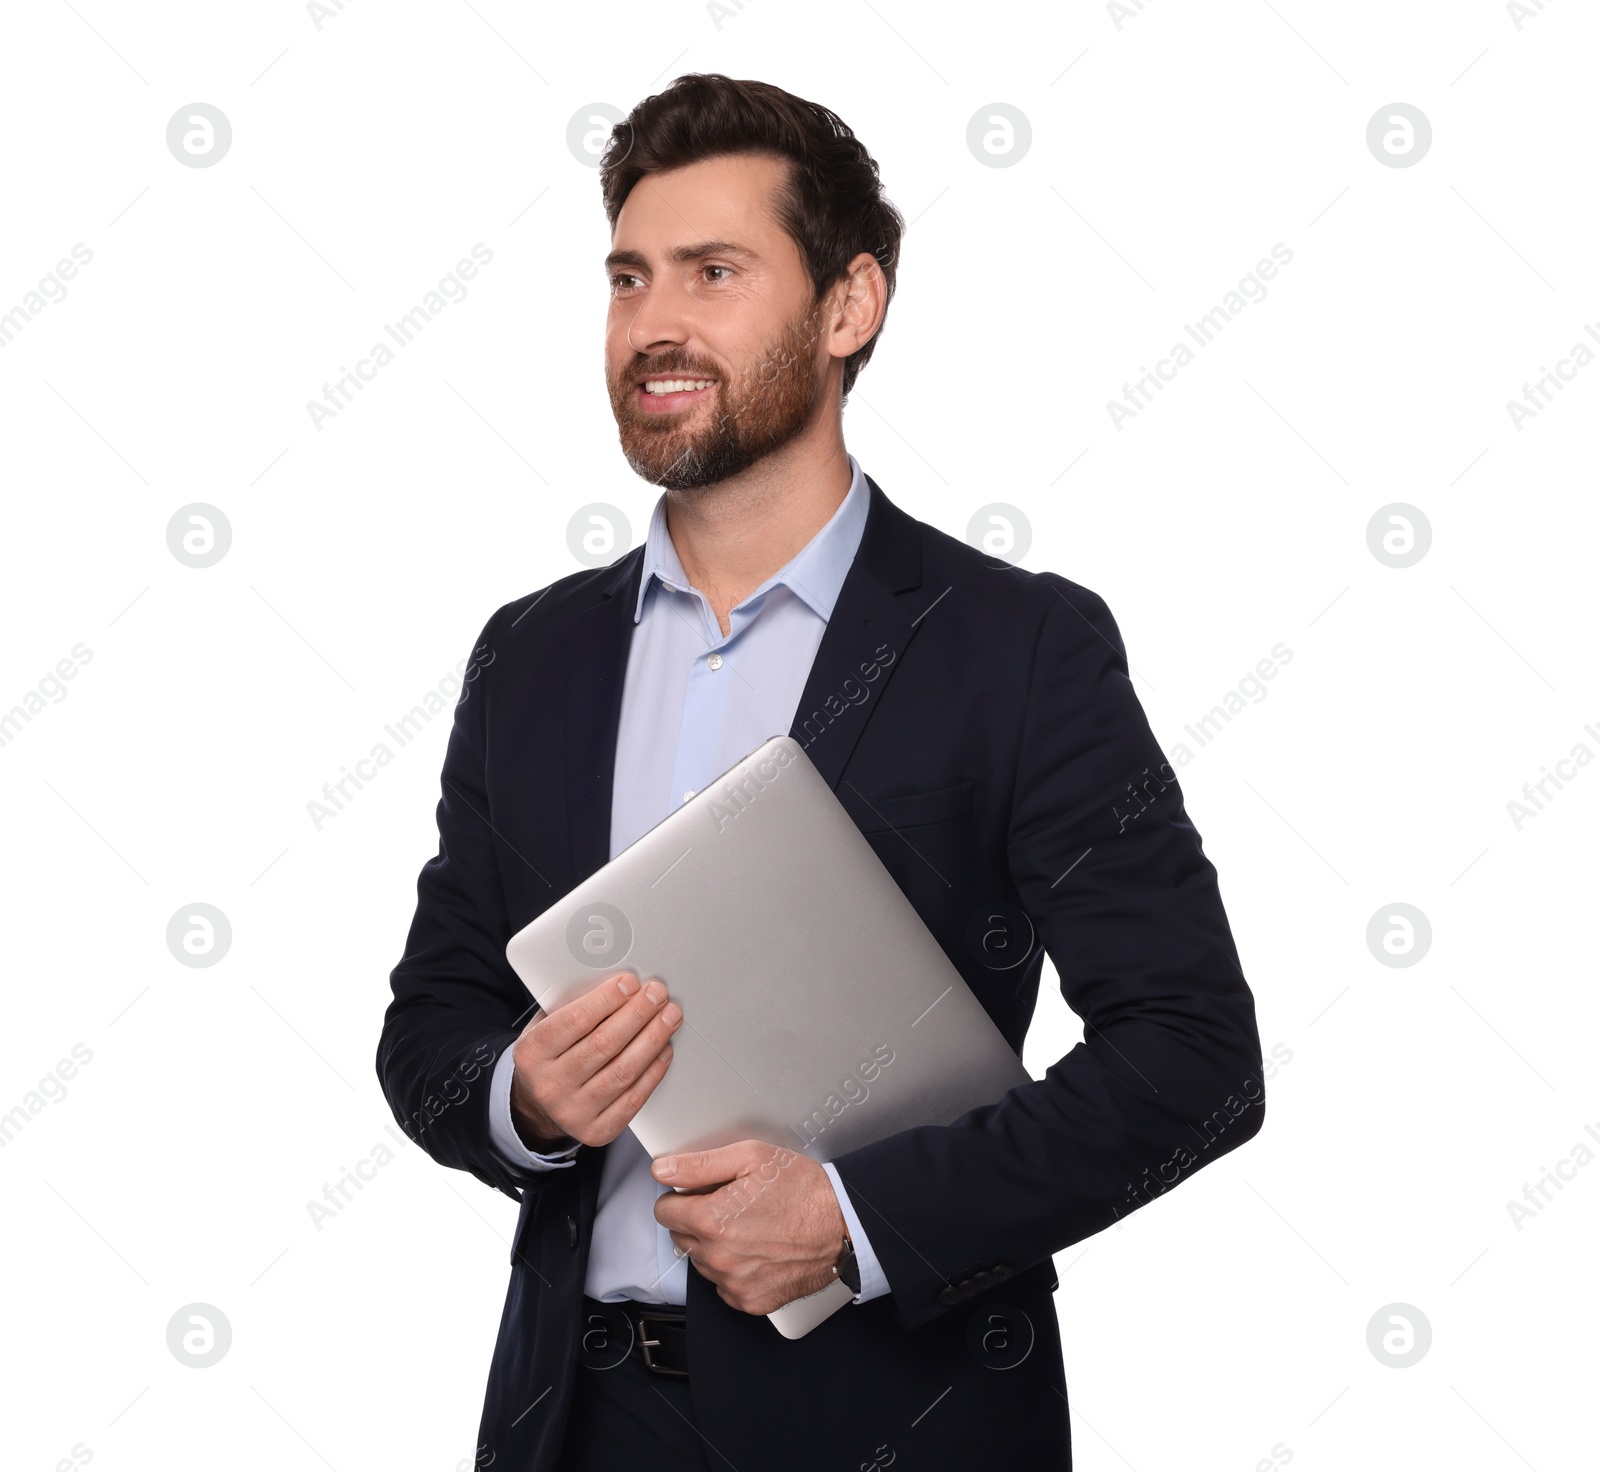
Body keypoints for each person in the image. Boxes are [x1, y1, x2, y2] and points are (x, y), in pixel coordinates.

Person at [377, 72, 1264, 1471]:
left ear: (849, 307)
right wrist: (522, 1102)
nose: (654, 325)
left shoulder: (1017, 647)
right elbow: (432, 1025)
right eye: (627, 277)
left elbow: (1193, 1059)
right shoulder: (530, 657)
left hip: (895, 1421)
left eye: (714, 272)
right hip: (574, 1422)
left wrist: (854, 1223)